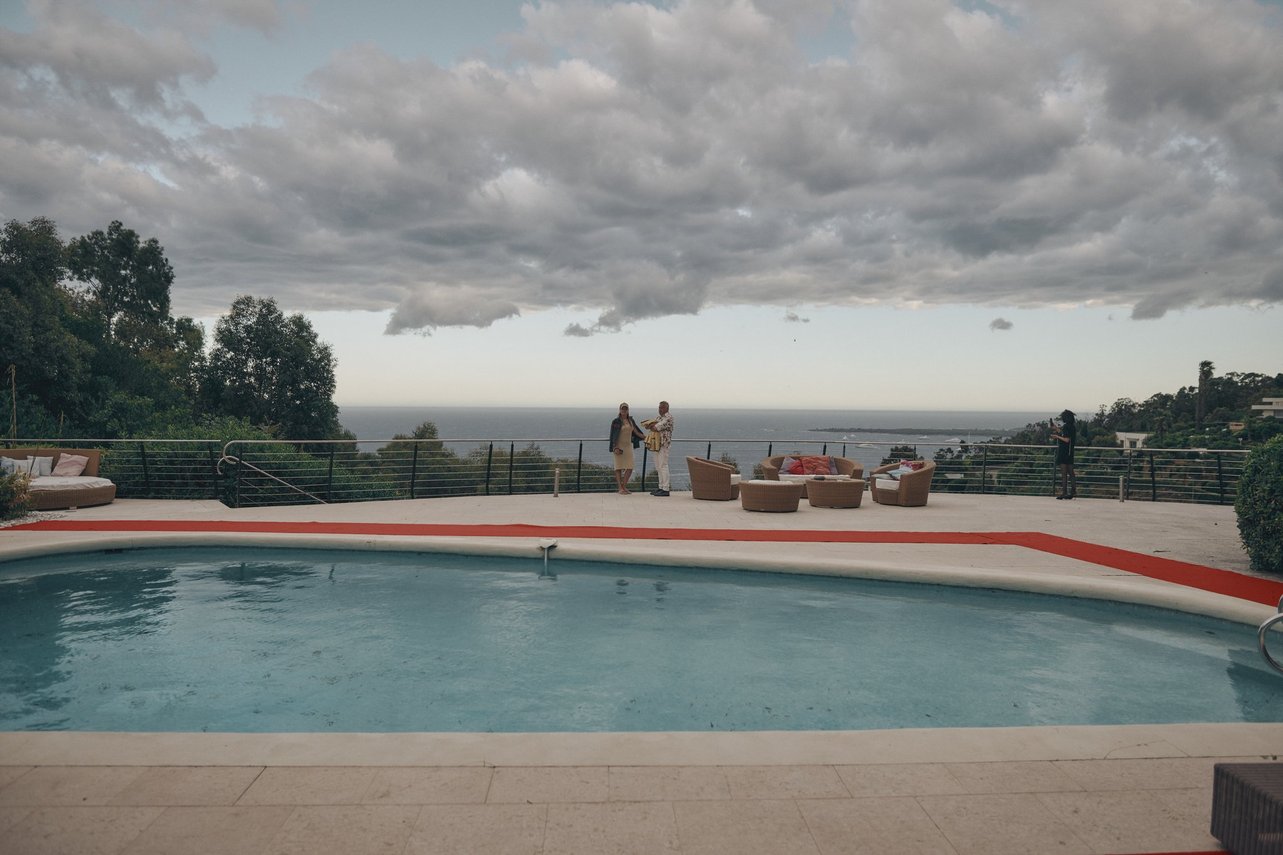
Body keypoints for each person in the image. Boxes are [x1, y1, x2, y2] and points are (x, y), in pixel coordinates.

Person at [608, 402, 645, 495]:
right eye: (622, 409)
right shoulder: (616, 421)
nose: (624, 410)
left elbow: (636, 432)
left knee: (630, 466)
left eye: (626, 409)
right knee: (618, 467)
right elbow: (613, 435)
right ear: (620, 410)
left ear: (628, 410)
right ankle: (620, 488)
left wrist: (647, 437)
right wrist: (615, 447)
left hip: (628, 446)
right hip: (619, 446)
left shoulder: (631, 420)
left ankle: (624, 486)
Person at [643, 401, 674, 497]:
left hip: (663, 444)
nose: (660, 409)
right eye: (659, 407)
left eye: (662, 408)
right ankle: (661, 487)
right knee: (658, 466)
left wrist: (650, 425)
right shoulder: (659, 418)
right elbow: (650, 426)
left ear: (667, 408)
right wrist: (650, 425)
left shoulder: (669, 418)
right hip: (656, 445)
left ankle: (666, 488)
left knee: (663, 465)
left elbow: (655, 427)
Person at [1050, 409, 1077, 499]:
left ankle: (1064, 493)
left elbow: (1066, 439)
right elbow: (1064, 434)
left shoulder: (1066, 426)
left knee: (1064, 474)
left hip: (1064, 452)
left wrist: (1056, 436)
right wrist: (1056, 429)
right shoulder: (1072, 427)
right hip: (1070, 452)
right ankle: (1073, 492)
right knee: (1071, 473)